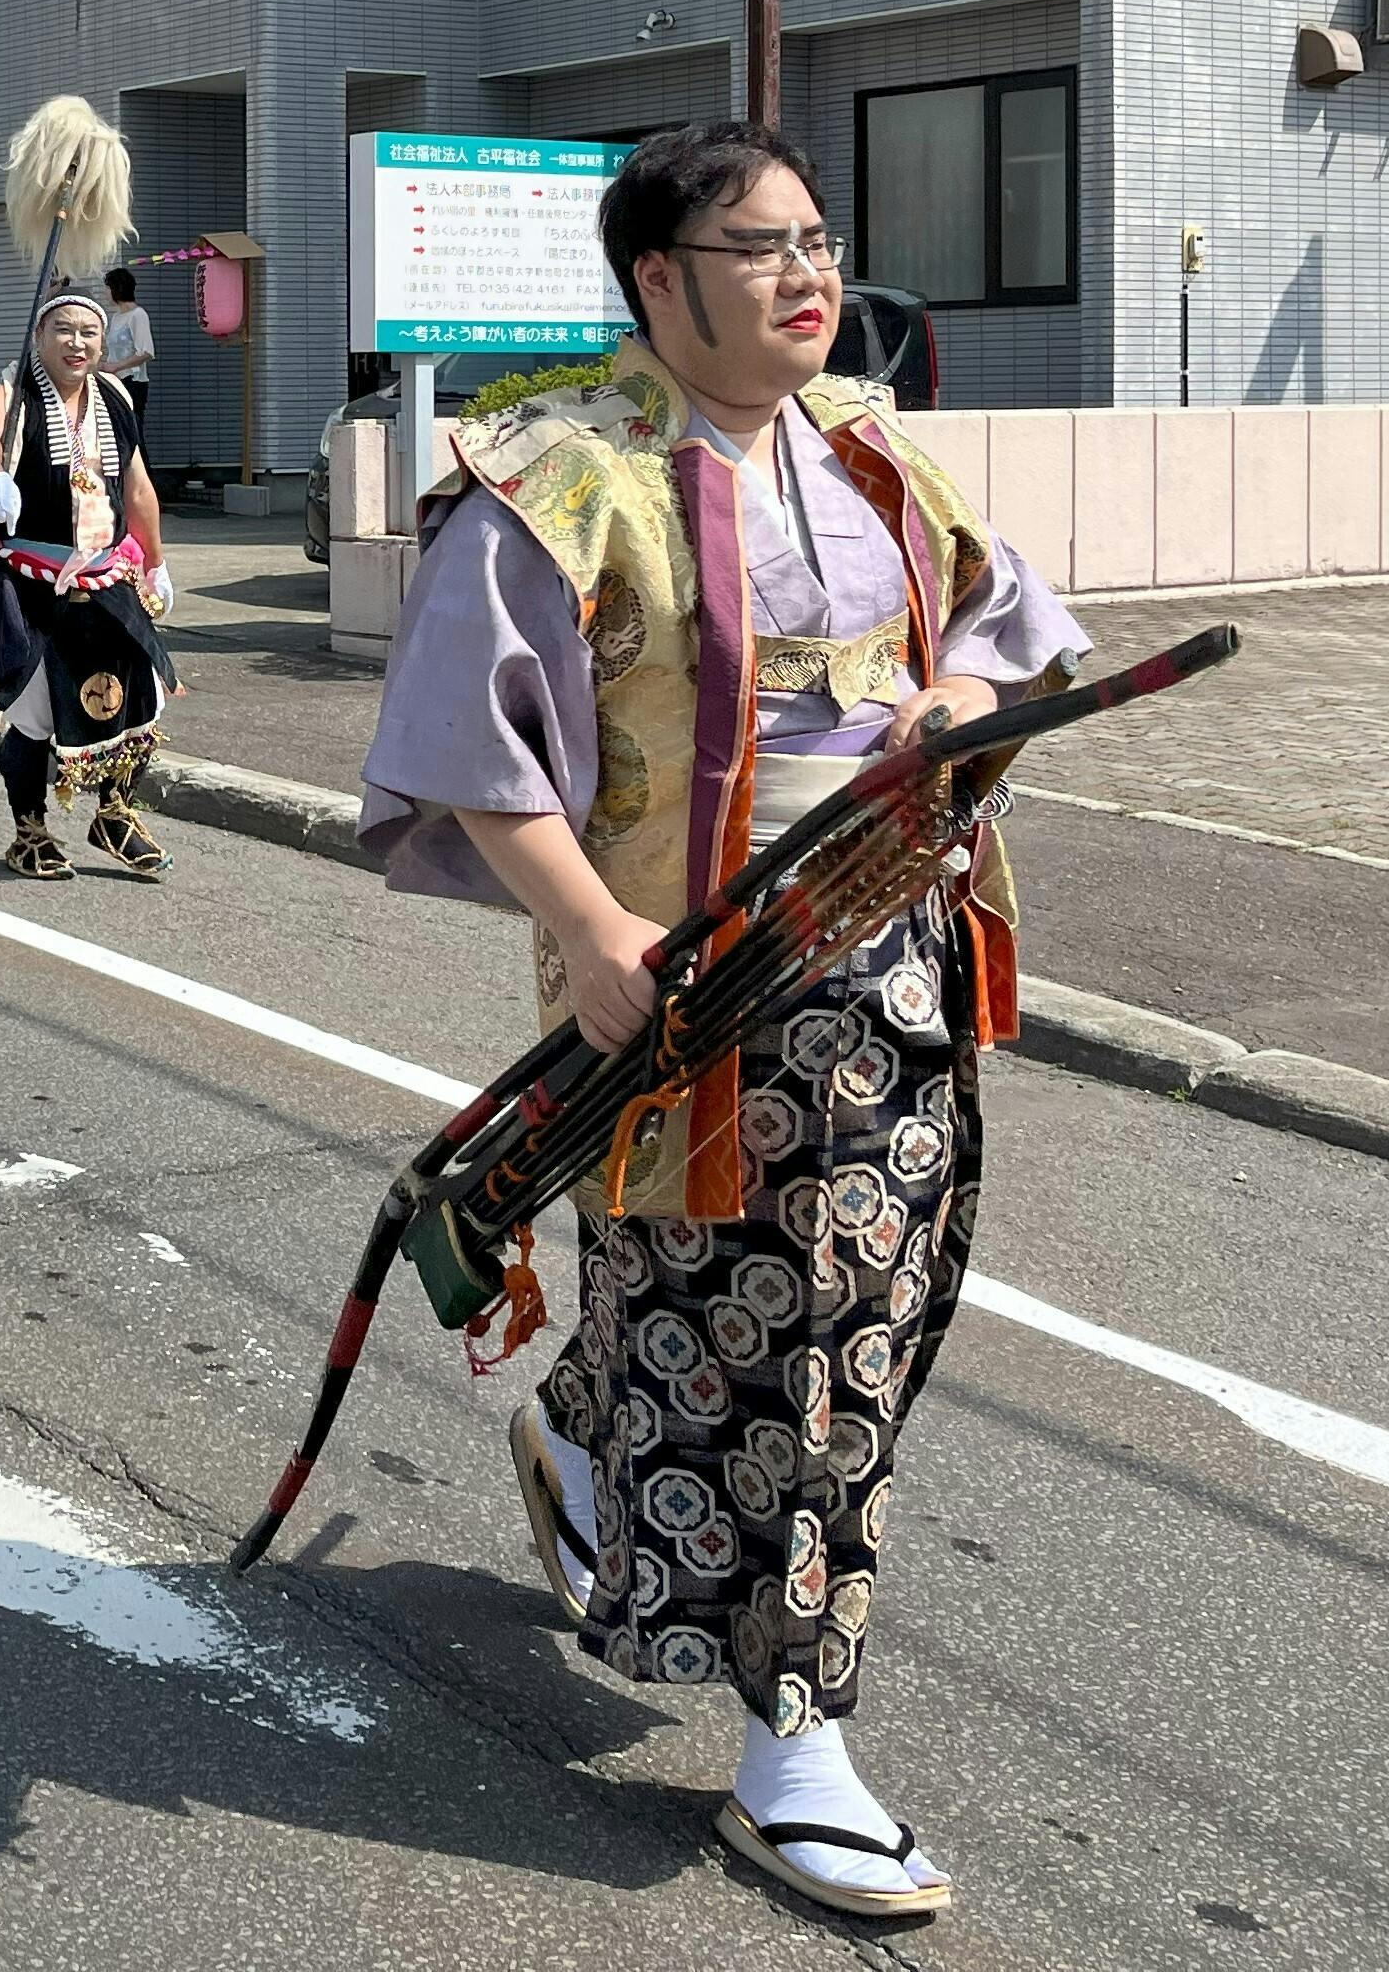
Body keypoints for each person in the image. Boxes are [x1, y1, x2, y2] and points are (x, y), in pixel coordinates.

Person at [355, 120, 1084, 1931]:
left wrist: (959, 696)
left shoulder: (875, 449)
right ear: (655, 277)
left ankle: (582, 1435)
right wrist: (594, 926)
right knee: (766, 1331)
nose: (805, 270)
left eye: (819, 235)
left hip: (893, 975)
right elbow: (468, 743)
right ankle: (795, 1739)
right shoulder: (552, 478)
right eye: (758, 243)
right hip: (685, 1005)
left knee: (848, 1322)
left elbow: (1005, 629)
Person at [0, 288, 175, 880]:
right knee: (32, 712)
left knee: (142, 696)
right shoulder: (12, 394)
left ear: (103, 342)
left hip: (109, 578)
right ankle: (29, 829)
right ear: (38, 337)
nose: (76, 342)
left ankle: (114, 812)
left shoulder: (116, 396)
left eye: (88, 331)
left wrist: (155, 563)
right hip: (33, 582)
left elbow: (136, 490)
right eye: (63, 330)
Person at [96, 264, 157, 419]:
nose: (105, 293)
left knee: (133, 424)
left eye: (108, 288)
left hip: (133, 381)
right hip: (116, 379)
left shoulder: (138, 315)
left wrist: (115, 366)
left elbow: (146, 352)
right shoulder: (116, 317)